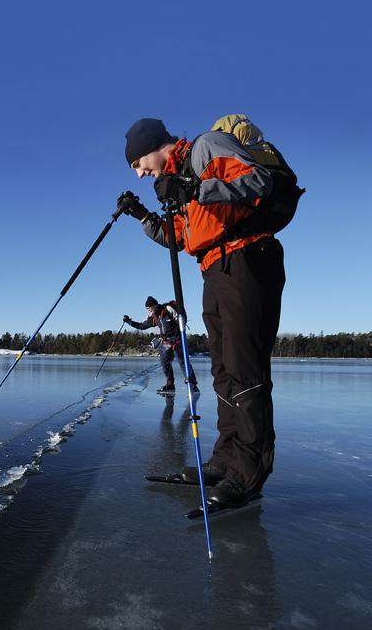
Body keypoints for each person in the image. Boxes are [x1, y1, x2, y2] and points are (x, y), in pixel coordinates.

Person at [119, 117, 286, 508]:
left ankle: (247, 475)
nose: (141, 173)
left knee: (245, 371)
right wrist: (143, 216)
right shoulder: (177, 180)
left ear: (151, 147)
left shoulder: (207, 148)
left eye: (138, 164)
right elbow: (183, 237)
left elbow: (259, 182)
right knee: (224, 372)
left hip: (247, 257)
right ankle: (225, 461)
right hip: (214, 268)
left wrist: (196, 187)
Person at [123, 296, 198, 393]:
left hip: (177, 341)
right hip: (165, 342)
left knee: (183, 363)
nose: (148, 311)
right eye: (147, 309)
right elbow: (141, 326)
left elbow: (182, 321)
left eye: (149, 308)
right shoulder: (153, 317)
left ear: (154, 305)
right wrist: (129, 321)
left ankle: (193, 385)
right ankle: (170, 384)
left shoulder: (168, 309)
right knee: (164, 364)